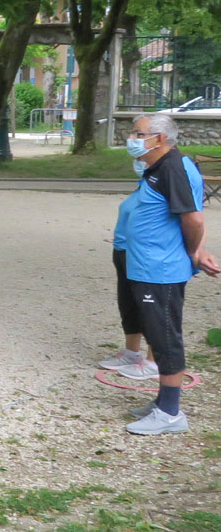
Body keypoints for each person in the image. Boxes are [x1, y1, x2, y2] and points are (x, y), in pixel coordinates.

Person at [118, 113, 219, 435]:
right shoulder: (160, 167)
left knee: (164, 340)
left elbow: (195, 219)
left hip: (159, 270)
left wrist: (194, 253)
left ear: (159, 139)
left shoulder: (173, 167)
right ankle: (163, 401)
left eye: (138, 133)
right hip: (147, 266)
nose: (132, 138)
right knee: (158, 335)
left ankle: (171, 414)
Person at [98, 158, 158, 380]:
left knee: (150, 306)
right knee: (128, 303)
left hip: (144, 254)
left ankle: (154, 361)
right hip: (124, 250)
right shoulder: (144, 183)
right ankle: (132, 352)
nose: (138, 162)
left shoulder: (165, 181)